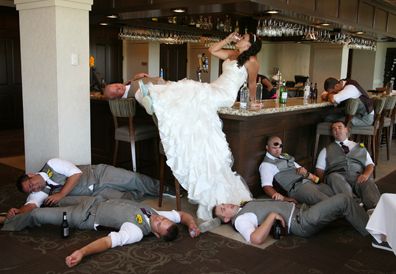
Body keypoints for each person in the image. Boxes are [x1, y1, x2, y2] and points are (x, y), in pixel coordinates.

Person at [135, 32, 261, 220]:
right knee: (191, 91)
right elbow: (212, 50)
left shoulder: (252, 61)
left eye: (245, 37)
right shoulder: (233, 54)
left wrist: (253, 102)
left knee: (193, 90)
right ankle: (155, 98)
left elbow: (252, 83)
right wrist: (228, 38)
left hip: (225, 94)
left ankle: (156, 99)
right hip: (214, 88)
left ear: (251, 44)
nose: (241, 37)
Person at [0, 196, 200, 267]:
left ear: (156, 234)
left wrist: (82, 252)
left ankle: (5, 221)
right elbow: (181, 215)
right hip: (95, 200)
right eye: (162, 219)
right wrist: (191, 224)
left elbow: (107, 242)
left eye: (159, 225)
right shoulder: (157, 213)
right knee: (52, 198)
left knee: (37, 216)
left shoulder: (135, 231)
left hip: (83, 216)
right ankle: (15, 214)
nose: (159, 219)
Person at [6, 158, 175, 219]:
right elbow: (31, 206)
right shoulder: (40, 193)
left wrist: (62, 194)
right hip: (97, 192)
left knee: (133, 179)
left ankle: (167, 188)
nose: (34, 188)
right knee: (126, 201)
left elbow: (76, 174)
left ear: (31, 174)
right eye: (31, 190)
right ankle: (141, 192)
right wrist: (18, 211)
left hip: (99, 174)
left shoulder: (51, 164)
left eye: (31, 184)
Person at [213, 194, 369, 245]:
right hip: (301, 221)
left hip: (302, 210)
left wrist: (284, 200)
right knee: (343, 200)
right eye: (223, 209)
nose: (226, 205)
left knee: (342, 207)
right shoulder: (240, 220)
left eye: (223, 204)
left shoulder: (244, 206)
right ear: (226, 219)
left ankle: (368, 219)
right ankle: (372, 231)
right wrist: (272, 216)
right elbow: (255, 239)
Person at [315, 121, 380, 210]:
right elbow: (319, 170)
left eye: (339, 127)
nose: (336, 130)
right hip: (337, 178)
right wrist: (325, 182)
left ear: (346, 130)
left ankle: (374, 209)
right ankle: (355, 204)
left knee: (367, 181)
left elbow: (370, 164)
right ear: (332, 133)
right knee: (333, 177)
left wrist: (365, 175)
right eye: (334, 129)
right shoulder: (325, 150)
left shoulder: (360, 147)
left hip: (357, 176)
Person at [259, 136, 334, 205]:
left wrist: (315, 179)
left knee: (335, 194)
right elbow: (267, 187)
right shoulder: (266, 165)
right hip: (298, 188)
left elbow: (304, 171)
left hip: (309, 181)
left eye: (280, 147)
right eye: (274, 147)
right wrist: (284, 198)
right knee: (329, 203)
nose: (278, 150)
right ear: (267, 147)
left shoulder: (285, 156)